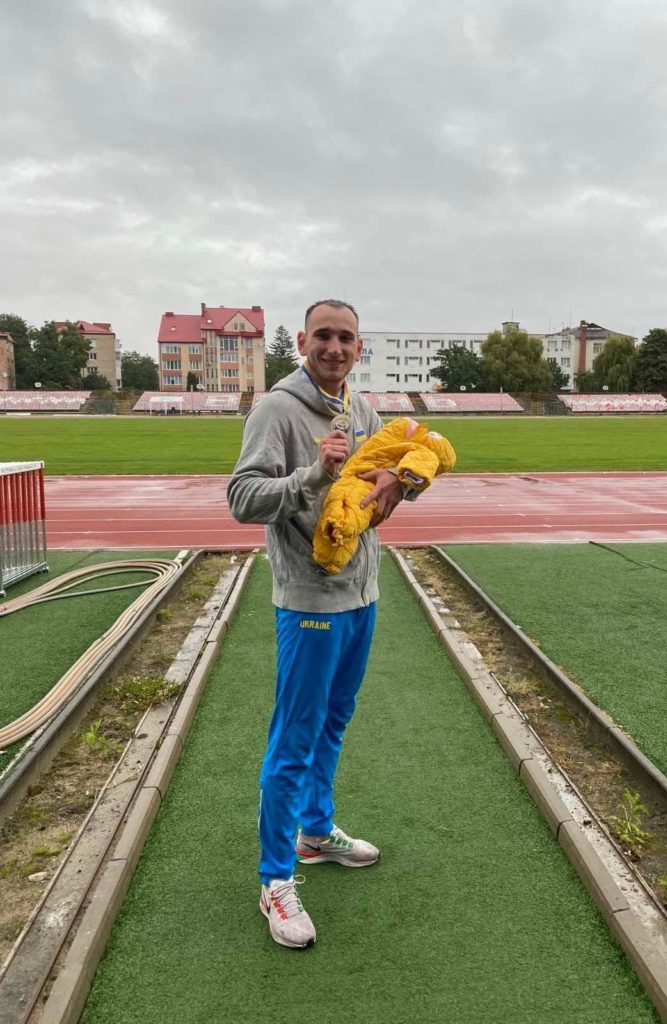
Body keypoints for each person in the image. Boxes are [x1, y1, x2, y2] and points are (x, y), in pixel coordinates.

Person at [227, 299, 409, 950]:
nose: (335, 347)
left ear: (361, 347)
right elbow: (242, 499)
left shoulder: (362, 411)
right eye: (323, 336)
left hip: (362, 593)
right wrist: (312, 475)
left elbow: (369, 498)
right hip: (307, 600)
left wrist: (397, 489)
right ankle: (275, 881)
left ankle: (314, 832)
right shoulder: (277, 410)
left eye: (347, 337)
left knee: (334, 721)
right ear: (303, 342)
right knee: (294, 738)